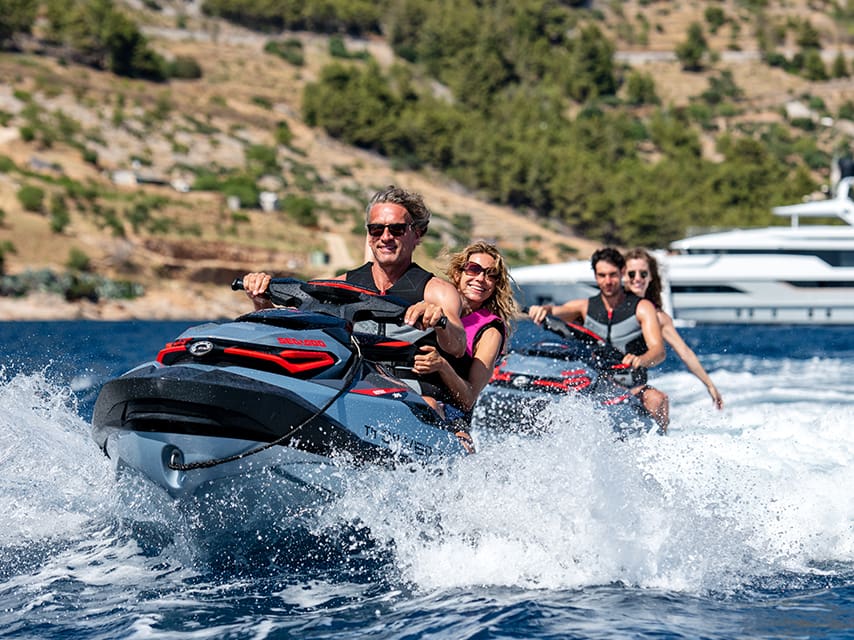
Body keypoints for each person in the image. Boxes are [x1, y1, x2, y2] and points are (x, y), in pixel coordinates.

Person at [527, 247, 670, 431]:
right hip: (595, 384)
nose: (608, 281)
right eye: (602, 275)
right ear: (595, 276)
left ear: (622, 273)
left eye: (613, 275)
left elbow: (658, 351)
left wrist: (640, 359)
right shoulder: (584, 307)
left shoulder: (642, 307)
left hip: (632, 386)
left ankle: (661, 444)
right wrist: (543, 310)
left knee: (658, 399)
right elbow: (556, 311)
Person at [410, 241, 518, 415]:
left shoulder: (491, 331)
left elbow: (468, 399)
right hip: (409, 392)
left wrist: (442, 366)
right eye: (473, 269)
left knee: (428, 404)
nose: (481, 279)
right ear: (457, 274)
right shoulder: (433, 304)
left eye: (491, 274)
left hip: (449, 413)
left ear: (496, 284)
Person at [623, 248, 724, 410]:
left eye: (643, 274)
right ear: (623, 275)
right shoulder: (610, 307)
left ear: (650, 277)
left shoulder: (659, 317)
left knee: (660, 401)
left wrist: (709, 385)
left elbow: (684, 351)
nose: (637, 279)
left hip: (635, 386)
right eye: (631, 274)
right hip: (608, 381)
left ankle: (659, 436)